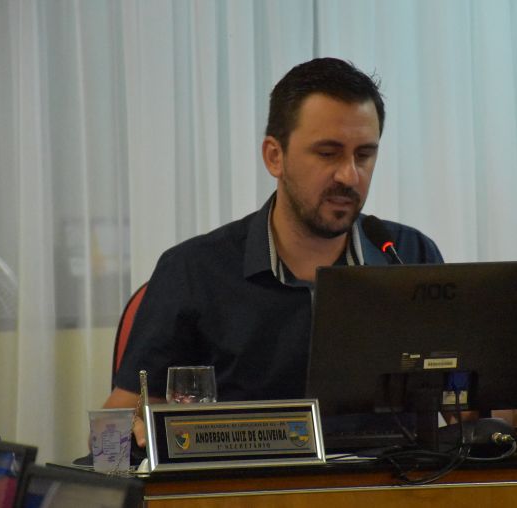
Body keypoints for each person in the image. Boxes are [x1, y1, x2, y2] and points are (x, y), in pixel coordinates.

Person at [102, 58, 444, 444]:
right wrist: (139, 431)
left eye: (363, 155)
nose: (349, 175)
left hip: (392, 476)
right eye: (328, 153)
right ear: (274, 157)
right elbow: (116, 427)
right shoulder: (194, 271)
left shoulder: (409, 256)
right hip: (247, 478)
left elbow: (465, 407)